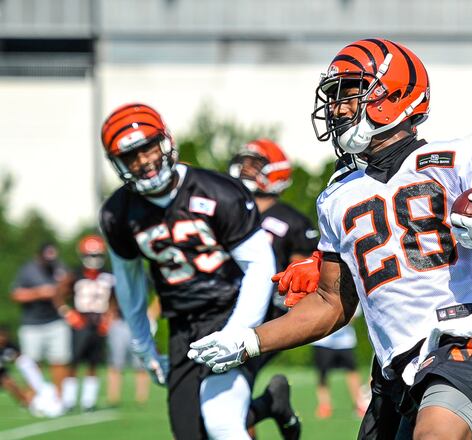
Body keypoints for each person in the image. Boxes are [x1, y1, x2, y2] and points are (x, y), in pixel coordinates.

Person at [188, 38, 472, 440]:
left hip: (469, 343)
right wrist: (249, 340)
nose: (336, 108)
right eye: (333, 98)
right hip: (397, 373)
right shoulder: (336, 194)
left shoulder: (461, 155)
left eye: (349, 94)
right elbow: (331, 303)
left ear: (394, 94)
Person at [98, 103, 298, 440]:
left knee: (221, 419)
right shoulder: (118, 213)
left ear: (165, 141)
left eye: (147, 147)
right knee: (190, 432)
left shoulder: (217, 191)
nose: (143, 161)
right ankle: (270, 405)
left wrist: (239, 331)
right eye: (131, 156)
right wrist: (143, 343)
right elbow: (129, 282)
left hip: (231, 307)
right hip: (182, 326)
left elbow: (260, 264)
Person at [228, 138, 316, 435]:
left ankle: (269, 404)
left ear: (276, 172)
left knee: (229, 401)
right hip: (229, 310)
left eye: (256, 164)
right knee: (225, 399)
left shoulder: (291, 220)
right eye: (245, 161)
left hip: (268, 317)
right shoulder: (230, 212)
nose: (245, 168)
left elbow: (303, 279)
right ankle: (272, 404)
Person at [58, 234, 115, 412]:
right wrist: (69, 314)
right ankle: (69, 400)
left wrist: (109, 318)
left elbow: (114, 300)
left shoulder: (108, 276)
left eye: (97, 256)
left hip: (99, 321)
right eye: (90, 256)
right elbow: (58, 295)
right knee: (74, 361)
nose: (94, 260)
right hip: (81, 322)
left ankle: (88, 401)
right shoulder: (74, 274)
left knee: (94, 363)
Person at [10, 243, 73, 396]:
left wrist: (61, 289)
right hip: (32, 324)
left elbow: (70, 290)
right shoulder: (27, 270)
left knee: (59, 360)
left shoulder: (60, 267)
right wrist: (39, 293)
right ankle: (35, 396)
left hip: (56, 321)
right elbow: (15, 294)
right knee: (32, 363)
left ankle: (59, 398)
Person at [310, 307, 366, 419]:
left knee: (352, 371)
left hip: (345, 341)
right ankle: (324, 405)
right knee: (322, 374)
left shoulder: (350, 291)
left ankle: (359, 404)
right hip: (323, 341)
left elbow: (352, 317)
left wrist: (332, 320)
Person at [0, 325, 64, 417]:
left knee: (9, 383)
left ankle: (27, 402)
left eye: (3, 336)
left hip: (2, 372)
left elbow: (21, 360)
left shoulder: (10, 346)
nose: (2, 338)